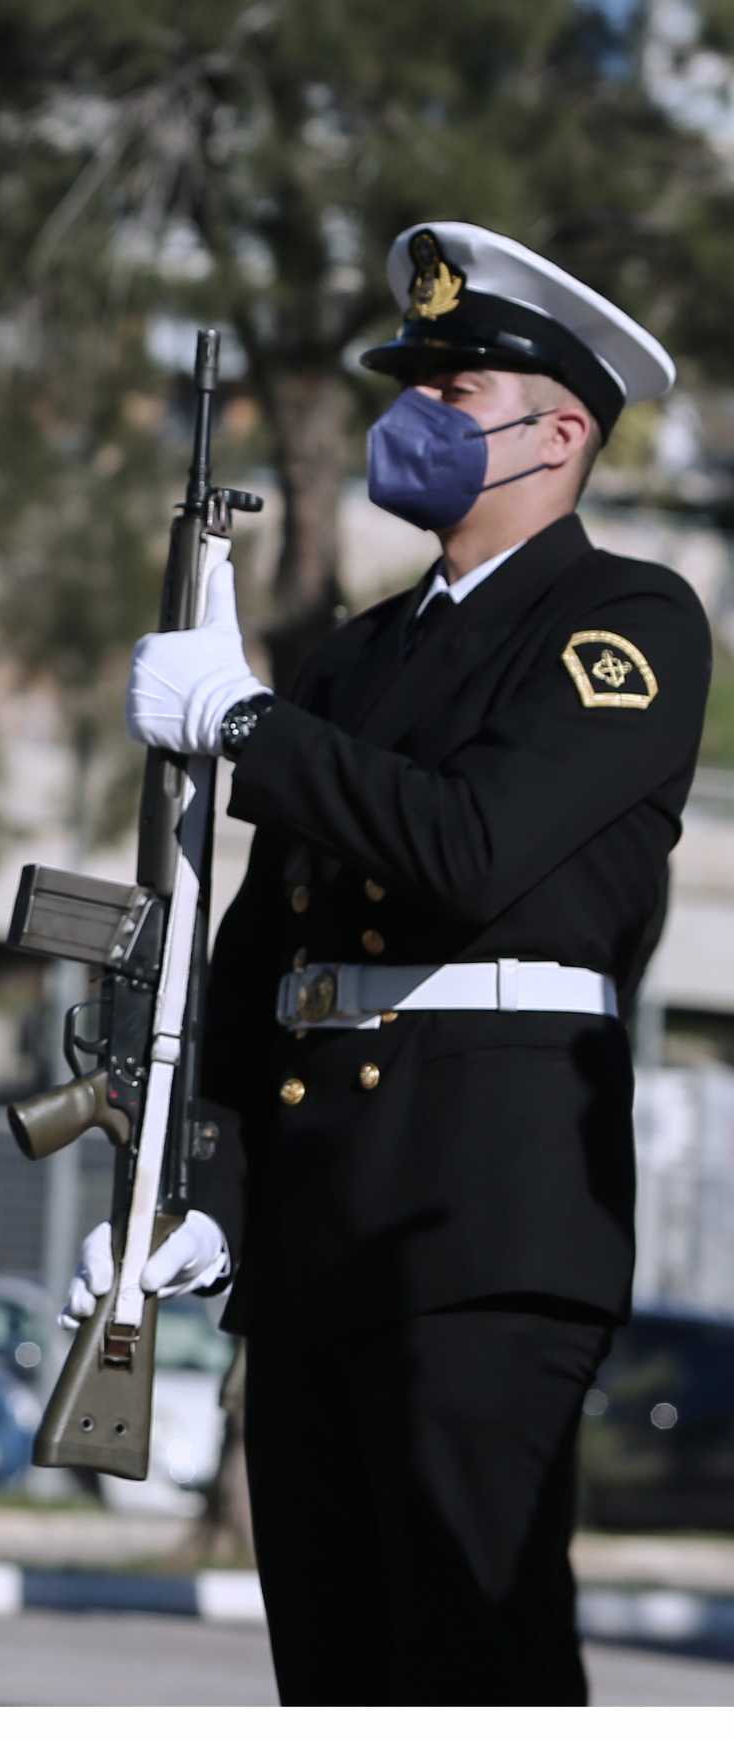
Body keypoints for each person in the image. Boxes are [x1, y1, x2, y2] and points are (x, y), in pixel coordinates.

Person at [79, 223, 708, 1703]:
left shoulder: (627, 619)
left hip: (486, 1209)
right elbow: (263, 946)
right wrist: (206, 1186)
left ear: (561, 432)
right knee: (338, 1667)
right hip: (322, 1224)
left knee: (472, 1654)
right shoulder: (358, 657)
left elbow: (477, 845)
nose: (414, 414)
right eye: (412, 381)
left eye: (458, 387)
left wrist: (247, 726)